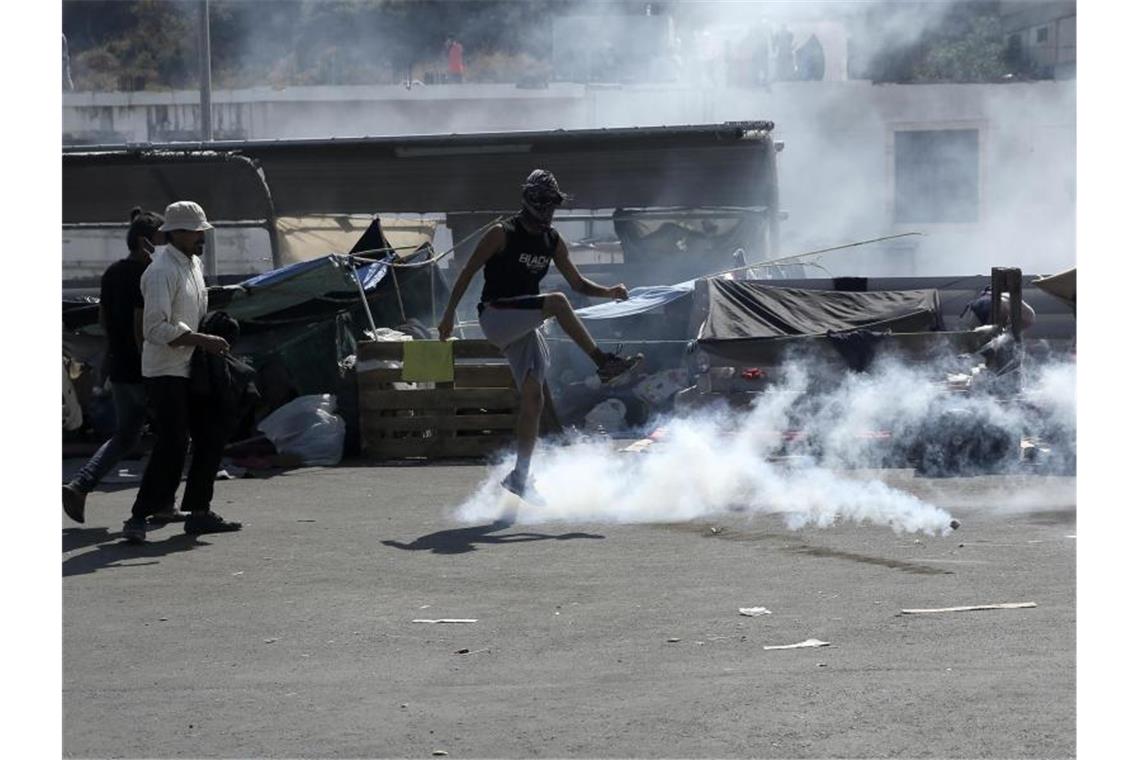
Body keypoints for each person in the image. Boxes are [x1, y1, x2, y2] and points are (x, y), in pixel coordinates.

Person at [437, 170, 643, 502]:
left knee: (534, 397)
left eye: (553, 206)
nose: (550, 212)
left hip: (524, 322)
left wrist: (610, 291)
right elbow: (467, 271)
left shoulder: (553, 241)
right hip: (496, 315)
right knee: (557, 301)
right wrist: (448, 316)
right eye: (545, 205)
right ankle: (603, 362)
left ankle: (520, 476)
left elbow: (578, 284)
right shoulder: (502, 233)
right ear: (531, 202)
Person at [121, 201, 242, 544]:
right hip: (165, 371)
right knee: (173, 443)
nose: (201, 237)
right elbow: (156, 329)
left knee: (211, 434)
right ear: (177, 234)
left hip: (192, 365)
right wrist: (203, 339)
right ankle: (138, 516)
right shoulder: (160, 272)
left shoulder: (193, 263)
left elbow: (192, 310)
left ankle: (199, 512)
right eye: (196, 232)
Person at [63, 208, 183, 525]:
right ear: (146, 242)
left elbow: (104, 319)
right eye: (162, 238)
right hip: (144, 369)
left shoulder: (113, 273)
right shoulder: (146, 274)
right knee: (169, 434)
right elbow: (139, 325)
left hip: (119, 366)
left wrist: (116, 355)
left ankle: (79, 486)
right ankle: (163, 503)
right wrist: (151, 362)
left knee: (127, 435)